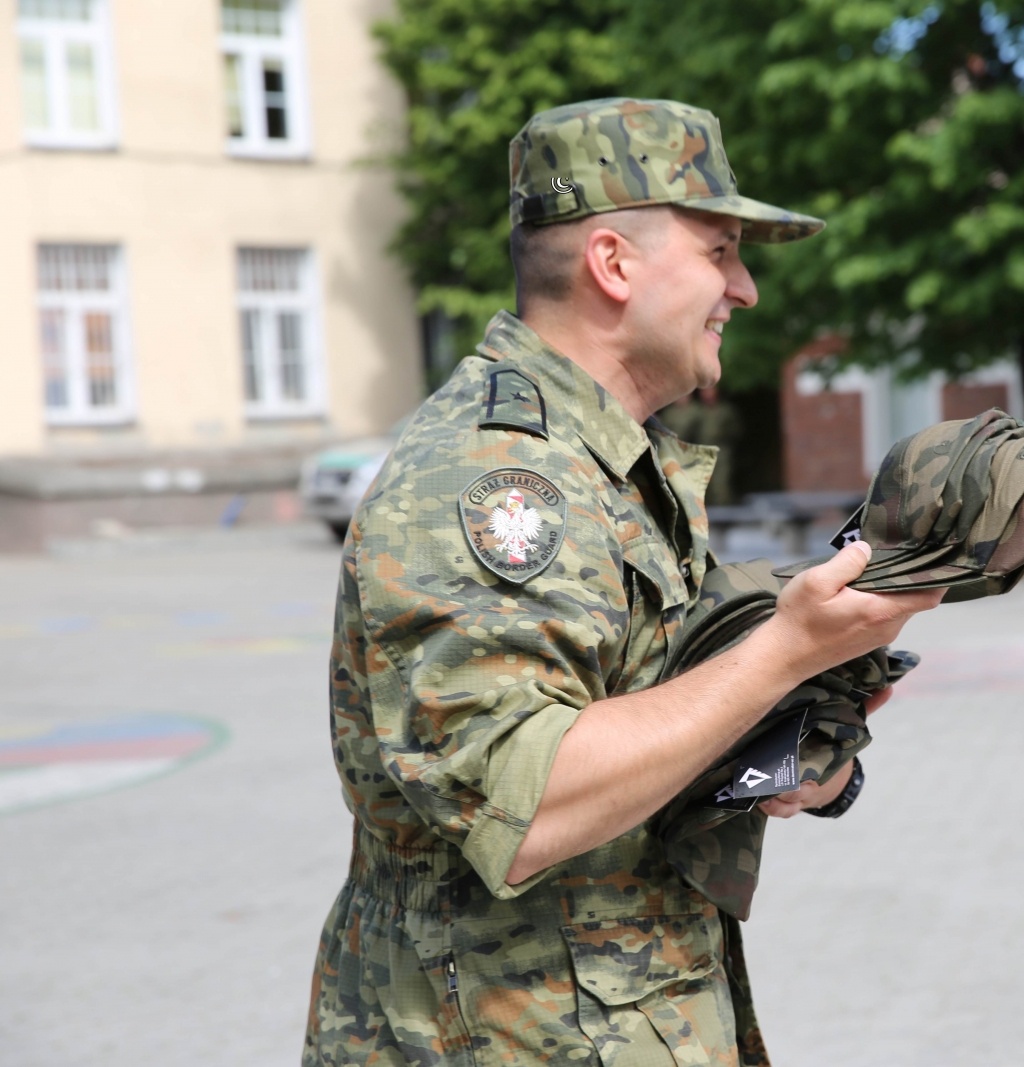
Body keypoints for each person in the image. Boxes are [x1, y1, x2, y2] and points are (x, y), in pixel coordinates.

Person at [302, 98, 944, 1065]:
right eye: (721, 252)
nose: (747, 289)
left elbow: (644, 725)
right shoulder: (494, 478)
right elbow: (524, 803)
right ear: (613, 263)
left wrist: (805, 753)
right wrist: (784, 651)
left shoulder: (608, 461)